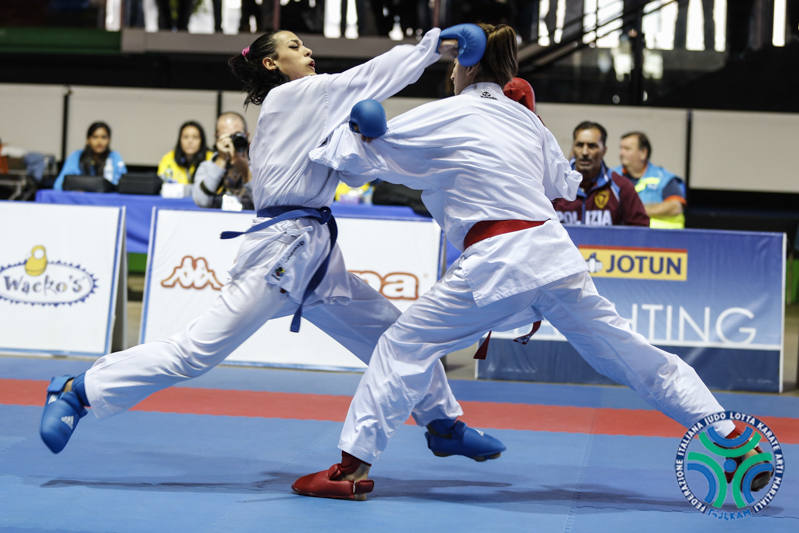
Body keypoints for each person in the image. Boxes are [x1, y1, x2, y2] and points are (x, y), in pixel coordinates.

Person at [293, 22, 758, 501]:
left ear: (467, 65)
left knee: (401, 346)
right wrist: (527, 121)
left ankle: (349, 472)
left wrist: (352, 129)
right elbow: (565, 186)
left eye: (455, 65)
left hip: (499, 260)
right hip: (555, 258)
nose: (452, 73)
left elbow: (356, 161)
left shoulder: (448, 113)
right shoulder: (527, 121)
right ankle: (729, 440)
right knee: (642, 361)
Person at [39, 25, 505, 473]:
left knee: (397, 334)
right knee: (195, 353)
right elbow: (370, 76)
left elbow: (353, 172)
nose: (307, 52)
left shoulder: (315, 112)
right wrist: (434, 46)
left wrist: (368, 136)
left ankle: (443, 423)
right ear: (271, 63)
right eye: (295, 46)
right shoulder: (296, 96)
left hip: (318, 258)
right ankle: (76, 391)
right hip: (279, 256)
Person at [551, 121, 649, 226]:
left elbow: (641, 230)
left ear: (604, 151)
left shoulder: (620, 186)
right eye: (579, 145)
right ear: (573, 148)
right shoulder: (554, 183)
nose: (584, 152)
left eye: (592, 146)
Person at [613, 131, 686, 229]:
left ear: (643, 153)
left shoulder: (663, 178)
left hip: (656, 239)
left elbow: (675, 207)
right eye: (620, 148)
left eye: (627, 149)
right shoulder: (611, 176)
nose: (621, 153)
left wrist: (633, 210)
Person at [192, 112, 254, 210]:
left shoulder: (258, 167)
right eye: (226, 136)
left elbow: (264, 204)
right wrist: (220, 161)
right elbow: (201, 201)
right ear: (216, 138)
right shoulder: (207, 167)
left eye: (236, 135)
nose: (232, 142)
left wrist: (245, 172)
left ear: (247, 136)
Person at [53, 122, 126, 191]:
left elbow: (123, 184)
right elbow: (59, 184)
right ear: (88, 140)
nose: (99, 141)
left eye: (103, 137)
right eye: (95, 137)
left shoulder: (114, 156)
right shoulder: (77, 156)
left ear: (109, 140)